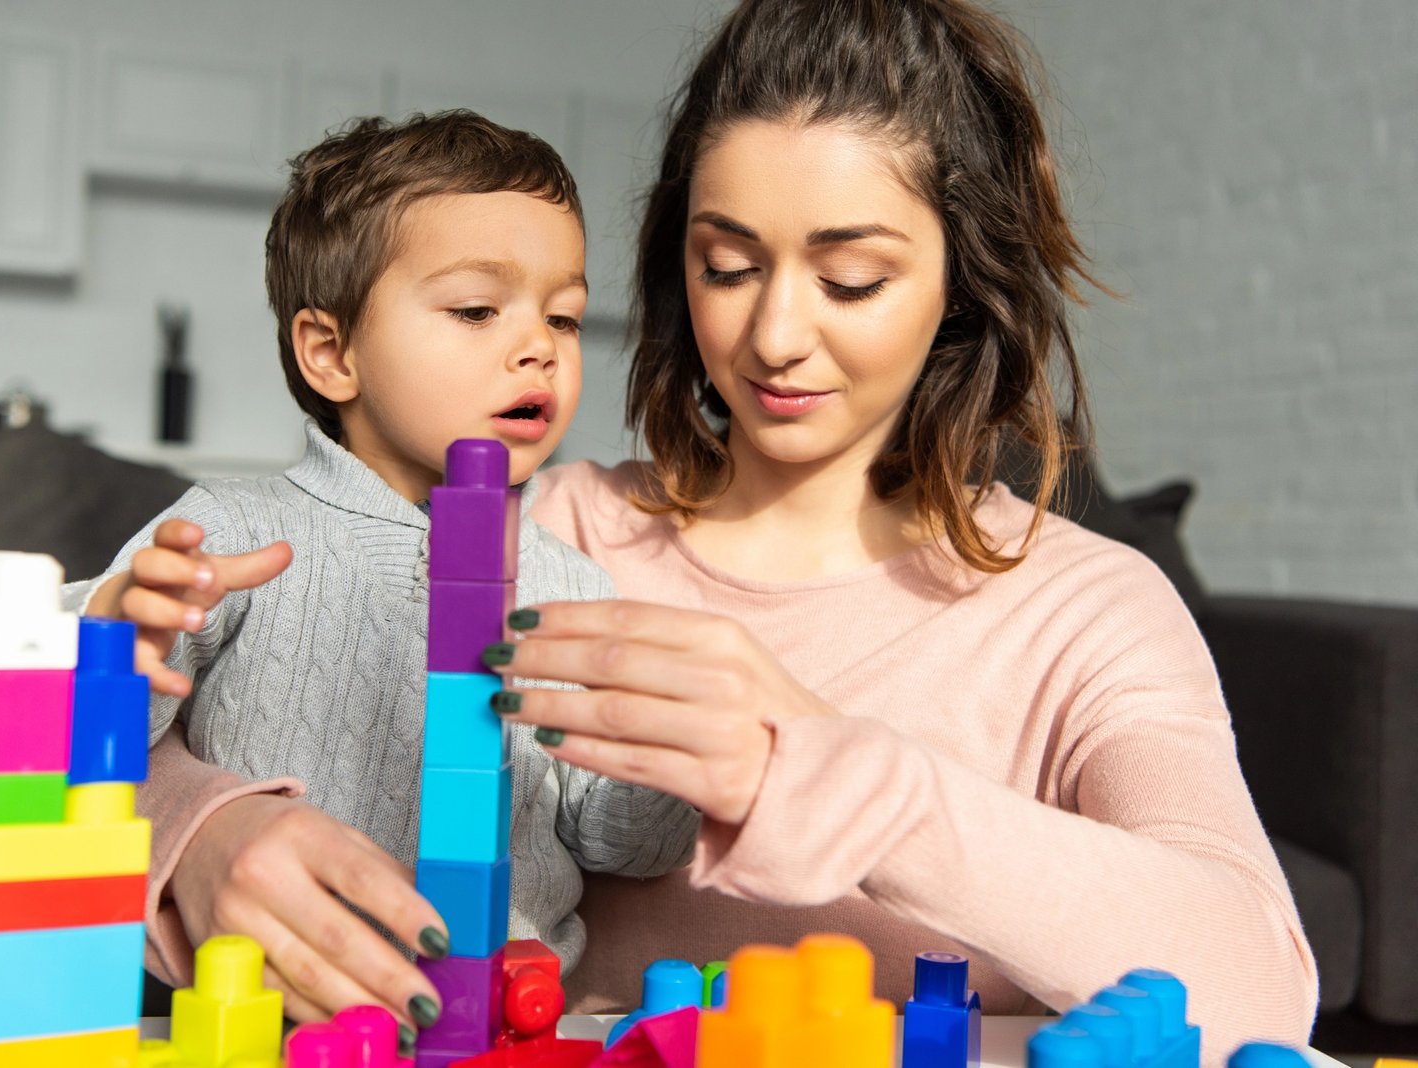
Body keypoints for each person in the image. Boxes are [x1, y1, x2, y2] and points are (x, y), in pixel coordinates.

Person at [136, 0, 1317, 1057]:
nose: (774, 338)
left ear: (961, 280)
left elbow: (1258, 984)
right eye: (727, 266)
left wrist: (825, 773)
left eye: (850, 280)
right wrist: (203, 837)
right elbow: (144, 711)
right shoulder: (542, 531)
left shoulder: (1081, 611)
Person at [69, 111, 697, 1049]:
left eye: (562, 314)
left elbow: (627, 850)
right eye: (479, 309)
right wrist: (118, 639)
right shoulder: (232, 531)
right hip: (259, 1025)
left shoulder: (573, 587)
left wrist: (664, 754)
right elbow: (79, 766)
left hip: (505, 1028)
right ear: (332, 353)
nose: (540, 346)